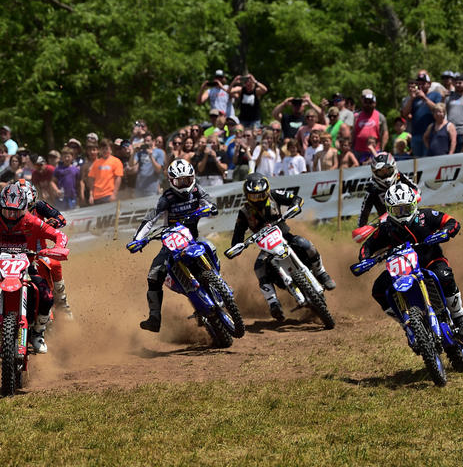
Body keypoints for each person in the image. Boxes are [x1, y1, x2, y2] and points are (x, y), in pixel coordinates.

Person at [0, 183, 68, 354]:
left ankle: (39, 333)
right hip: (0, 269)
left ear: (24, 208)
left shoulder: (32, 221)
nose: (11, 216)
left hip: (28, 267)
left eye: (16, 211)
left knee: (47, 296)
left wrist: (58, 247)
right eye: (7, 211)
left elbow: (59, 234)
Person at [358, 183, 463, 337]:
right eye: (398, 210)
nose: (403, 213)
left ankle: (460, 317)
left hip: (431, 260)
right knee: (378, 290)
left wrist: (444, 232)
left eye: (407, 208)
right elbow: (368, 246)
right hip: (401, 269)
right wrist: (364, 260)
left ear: (414, 205)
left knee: (444, 276)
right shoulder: (386, 228)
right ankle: (406, 322)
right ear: (389, 210)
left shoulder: (426, 215)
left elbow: (452, 222)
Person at [126, 159, 218, 332]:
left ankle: (220, 283)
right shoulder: (166, 198)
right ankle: (154, 318)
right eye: (179, 181)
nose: (184, 185)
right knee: (153, 275)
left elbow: (210, 203)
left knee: (211, 247)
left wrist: (211, 208)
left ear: (193, 177)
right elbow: (151, 218)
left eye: (187, 180)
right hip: (171, 243)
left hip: (193, 238)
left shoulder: (197, 189)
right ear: (171, 181)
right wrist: (137, 239)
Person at [231, 174, 335, 321]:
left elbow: (296, 198)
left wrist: (295, 206)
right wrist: (237, 247)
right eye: (254, 197)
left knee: (306, 244)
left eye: (261, 195)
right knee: (259, 267)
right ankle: (273, 302)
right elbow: (237, 235)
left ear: (267, 191)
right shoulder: (244, 212)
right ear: (247, 196)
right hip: (267, 247)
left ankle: (321, 273)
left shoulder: (274, 195)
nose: (258, 199)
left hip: (286, 237)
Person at [15, 179, 73, 318]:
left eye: (28, 206)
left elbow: (61, 218)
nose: (24, 210)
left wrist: (51, 223)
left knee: (55, 264)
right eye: (21, 206)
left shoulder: (40, 206)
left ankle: (62, 303)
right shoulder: (9, 212)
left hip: (39, 252)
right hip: (15, 254)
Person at [357, 152, 419, 228]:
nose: (385, 174)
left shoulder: (399, 176)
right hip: (388, 224)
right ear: (375, 173)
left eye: (388, 170)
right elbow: (364, 212)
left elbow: (417, 190)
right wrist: (361, 228)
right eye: (381, 172)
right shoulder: (372, 188)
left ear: (394, 168)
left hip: (410, 217)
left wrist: (415, 196)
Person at [401, 73, 442, 157]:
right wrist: (411, 99)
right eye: (418, 83)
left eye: (423, 83)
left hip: (431, 135)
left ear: (429, 84)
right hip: (416, 135)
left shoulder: (435, 95)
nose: (420, 85)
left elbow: (438, 109)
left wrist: (425, 98)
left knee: (429, 159)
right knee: (418, 162)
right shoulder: (414, 98)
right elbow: (404, 114)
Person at [353, 89, 388, 163]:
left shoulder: (380, 116)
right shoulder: (356, 116)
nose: (368, 104)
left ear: (374, 103)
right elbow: (353, 133)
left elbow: (385, 133)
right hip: (358, 151)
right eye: (366, 102)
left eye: (370, 102)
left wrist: (382, 149)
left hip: (374, 151)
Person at [86, 139, 124, 204]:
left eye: (106, 149)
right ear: (100, 150)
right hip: (96, 196)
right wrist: (91, 195)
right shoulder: (96, 163)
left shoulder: (116, 161)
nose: (104, 151)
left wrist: (114, 194)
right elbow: (91, 179)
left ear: (110, 150)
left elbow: (118, 178)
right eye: (102, 149)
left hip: (109, 195)